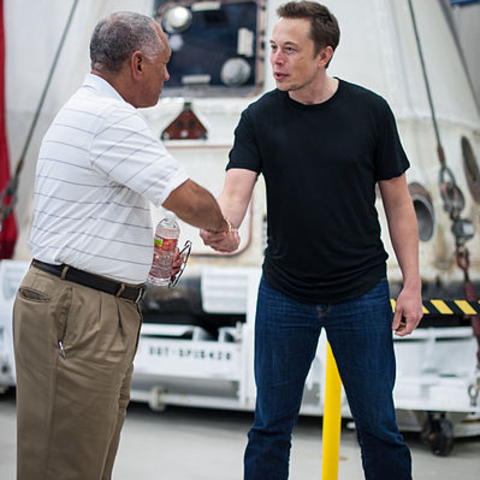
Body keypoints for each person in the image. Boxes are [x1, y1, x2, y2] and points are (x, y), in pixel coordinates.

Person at [200, 2, 424, 479]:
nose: (276, 60)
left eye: (289, 50)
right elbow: (236, 190)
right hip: (285, 293)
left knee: (380, 428)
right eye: (272, 48)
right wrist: (223, 226)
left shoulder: (370, 112)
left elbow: (399, 204)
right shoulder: (259, 117)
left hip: (360, 292)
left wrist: (412, 285)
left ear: (324, 55)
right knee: (269, 430)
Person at [13, 11, 238, 480]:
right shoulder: (108, 118)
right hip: (79, 311)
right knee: (66, 465)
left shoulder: (88, 111)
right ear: (138, 63)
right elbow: (189, 199)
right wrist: (221, 227)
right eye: (164, 63)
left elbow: (93, 213)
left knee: (86, 459)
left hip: (88, 305)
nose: (168, 74)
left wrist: (138, 256)